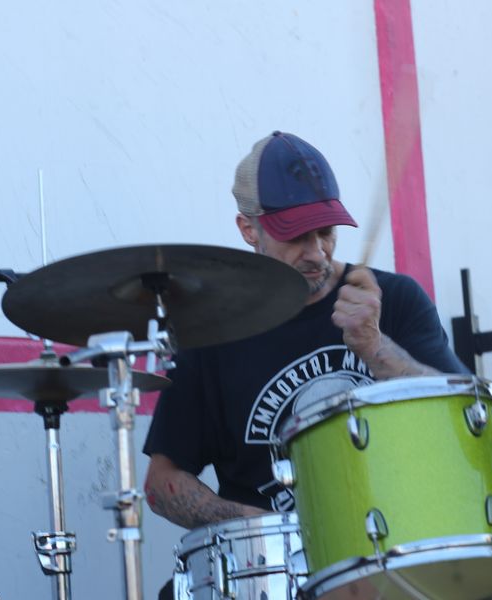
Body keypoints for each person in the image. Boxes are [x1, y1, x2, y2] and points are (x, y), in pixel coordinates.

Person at [142, 131, 470, 533]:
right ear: (248, 229)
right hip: (281, 563)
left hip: (405, 541)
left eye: (327, 231)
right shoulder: (213, 333)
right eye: (296, 235)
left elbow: (464, 419)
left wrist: (375, 347)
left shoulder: (393, 299)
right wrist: (267, 529)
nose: (317, 252)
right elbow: (161, 483)